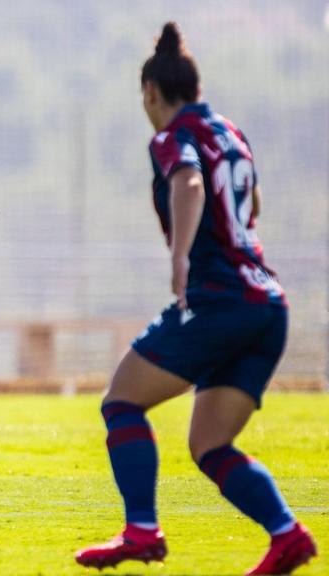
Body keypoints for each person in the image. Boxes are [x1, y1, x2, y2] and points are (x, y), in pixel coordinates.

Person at [74, 23, 317, 575]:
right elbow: (251, 200)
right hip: (266, 303)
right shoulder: (231, 132)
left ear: (151, 93)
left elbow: (188, 182)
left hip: (219, 298)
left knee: (121, 401)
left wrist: (181, 257)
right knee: (210, 444)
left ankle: (141, 531)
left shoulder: (170, 136)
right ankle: (288, 535)